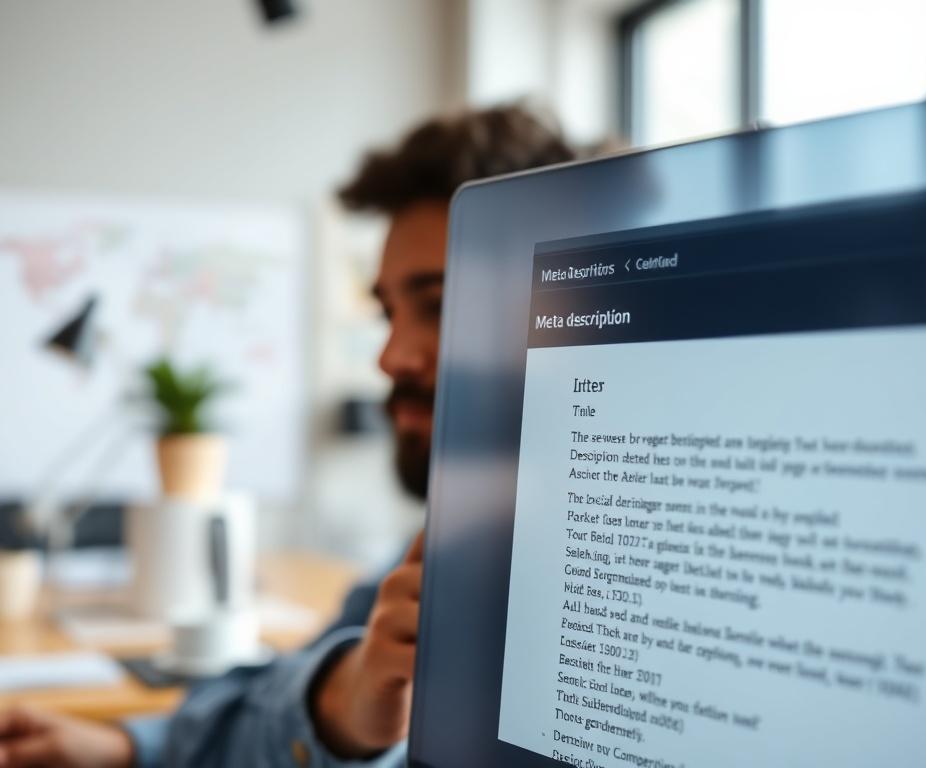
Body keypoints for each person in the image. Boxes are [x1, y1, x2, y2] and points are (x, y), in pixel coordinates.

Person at [0, 104, 574, 768]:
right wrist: (130, 745)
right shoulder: (430, 556)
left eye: (441, 305)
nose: (389, 356)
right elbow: (271, 693)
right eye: (388, 312)